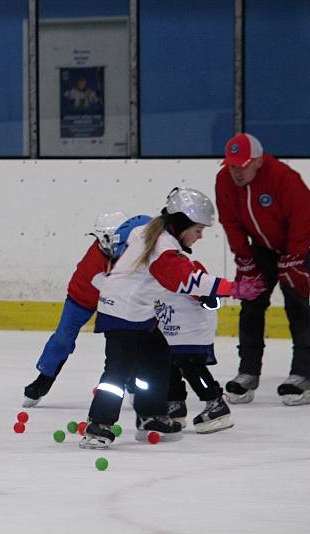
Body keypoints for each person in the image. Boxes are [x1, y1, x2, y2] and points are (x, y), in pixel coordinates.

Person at [80, 188, 265, 449]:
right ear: (182, 223)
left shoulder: (147, 234)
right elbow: (186, 281)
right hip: (121, 312)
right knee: (118, 371)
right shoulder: (162, 246)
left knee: (158, 359)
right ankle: (99, 425)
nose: (199, 237)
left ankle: (152, 416)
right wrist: (233, 288)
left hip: (139, 313)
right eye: (198, 230)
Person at [216, 133, 310, 406]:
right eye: (231, 165)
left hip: (299, 243)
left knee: (297, 304)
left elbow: (304, 216)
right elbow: (230, 222)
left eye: (242, 165)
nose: (236, 171)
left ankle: (303, 373)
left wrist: (294, 258)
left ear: (257, 161)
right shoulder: (224, 181)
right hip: (261, 248)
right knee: (252, 303)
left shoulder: (282, 177)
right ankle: (248, 372)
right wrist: (244, 260)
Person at [23, 212, 151, 407]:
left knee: (126, 340)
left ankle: (133, 382)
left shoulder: (133, 250)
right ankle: (43, 381)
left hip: (118, 301)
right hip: (82, 298)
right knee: (62, 339)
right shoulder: (94, 264)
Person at [155, 263, 234, 434]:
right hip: (169, 328)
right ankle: (174, 404)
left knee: (190, 364)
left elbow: (208, 294)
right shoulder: (150, 271)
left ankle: (216, 403)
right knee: (168, 364)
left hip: (193, 328)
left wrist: (207, 297)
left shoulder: (186, 268)